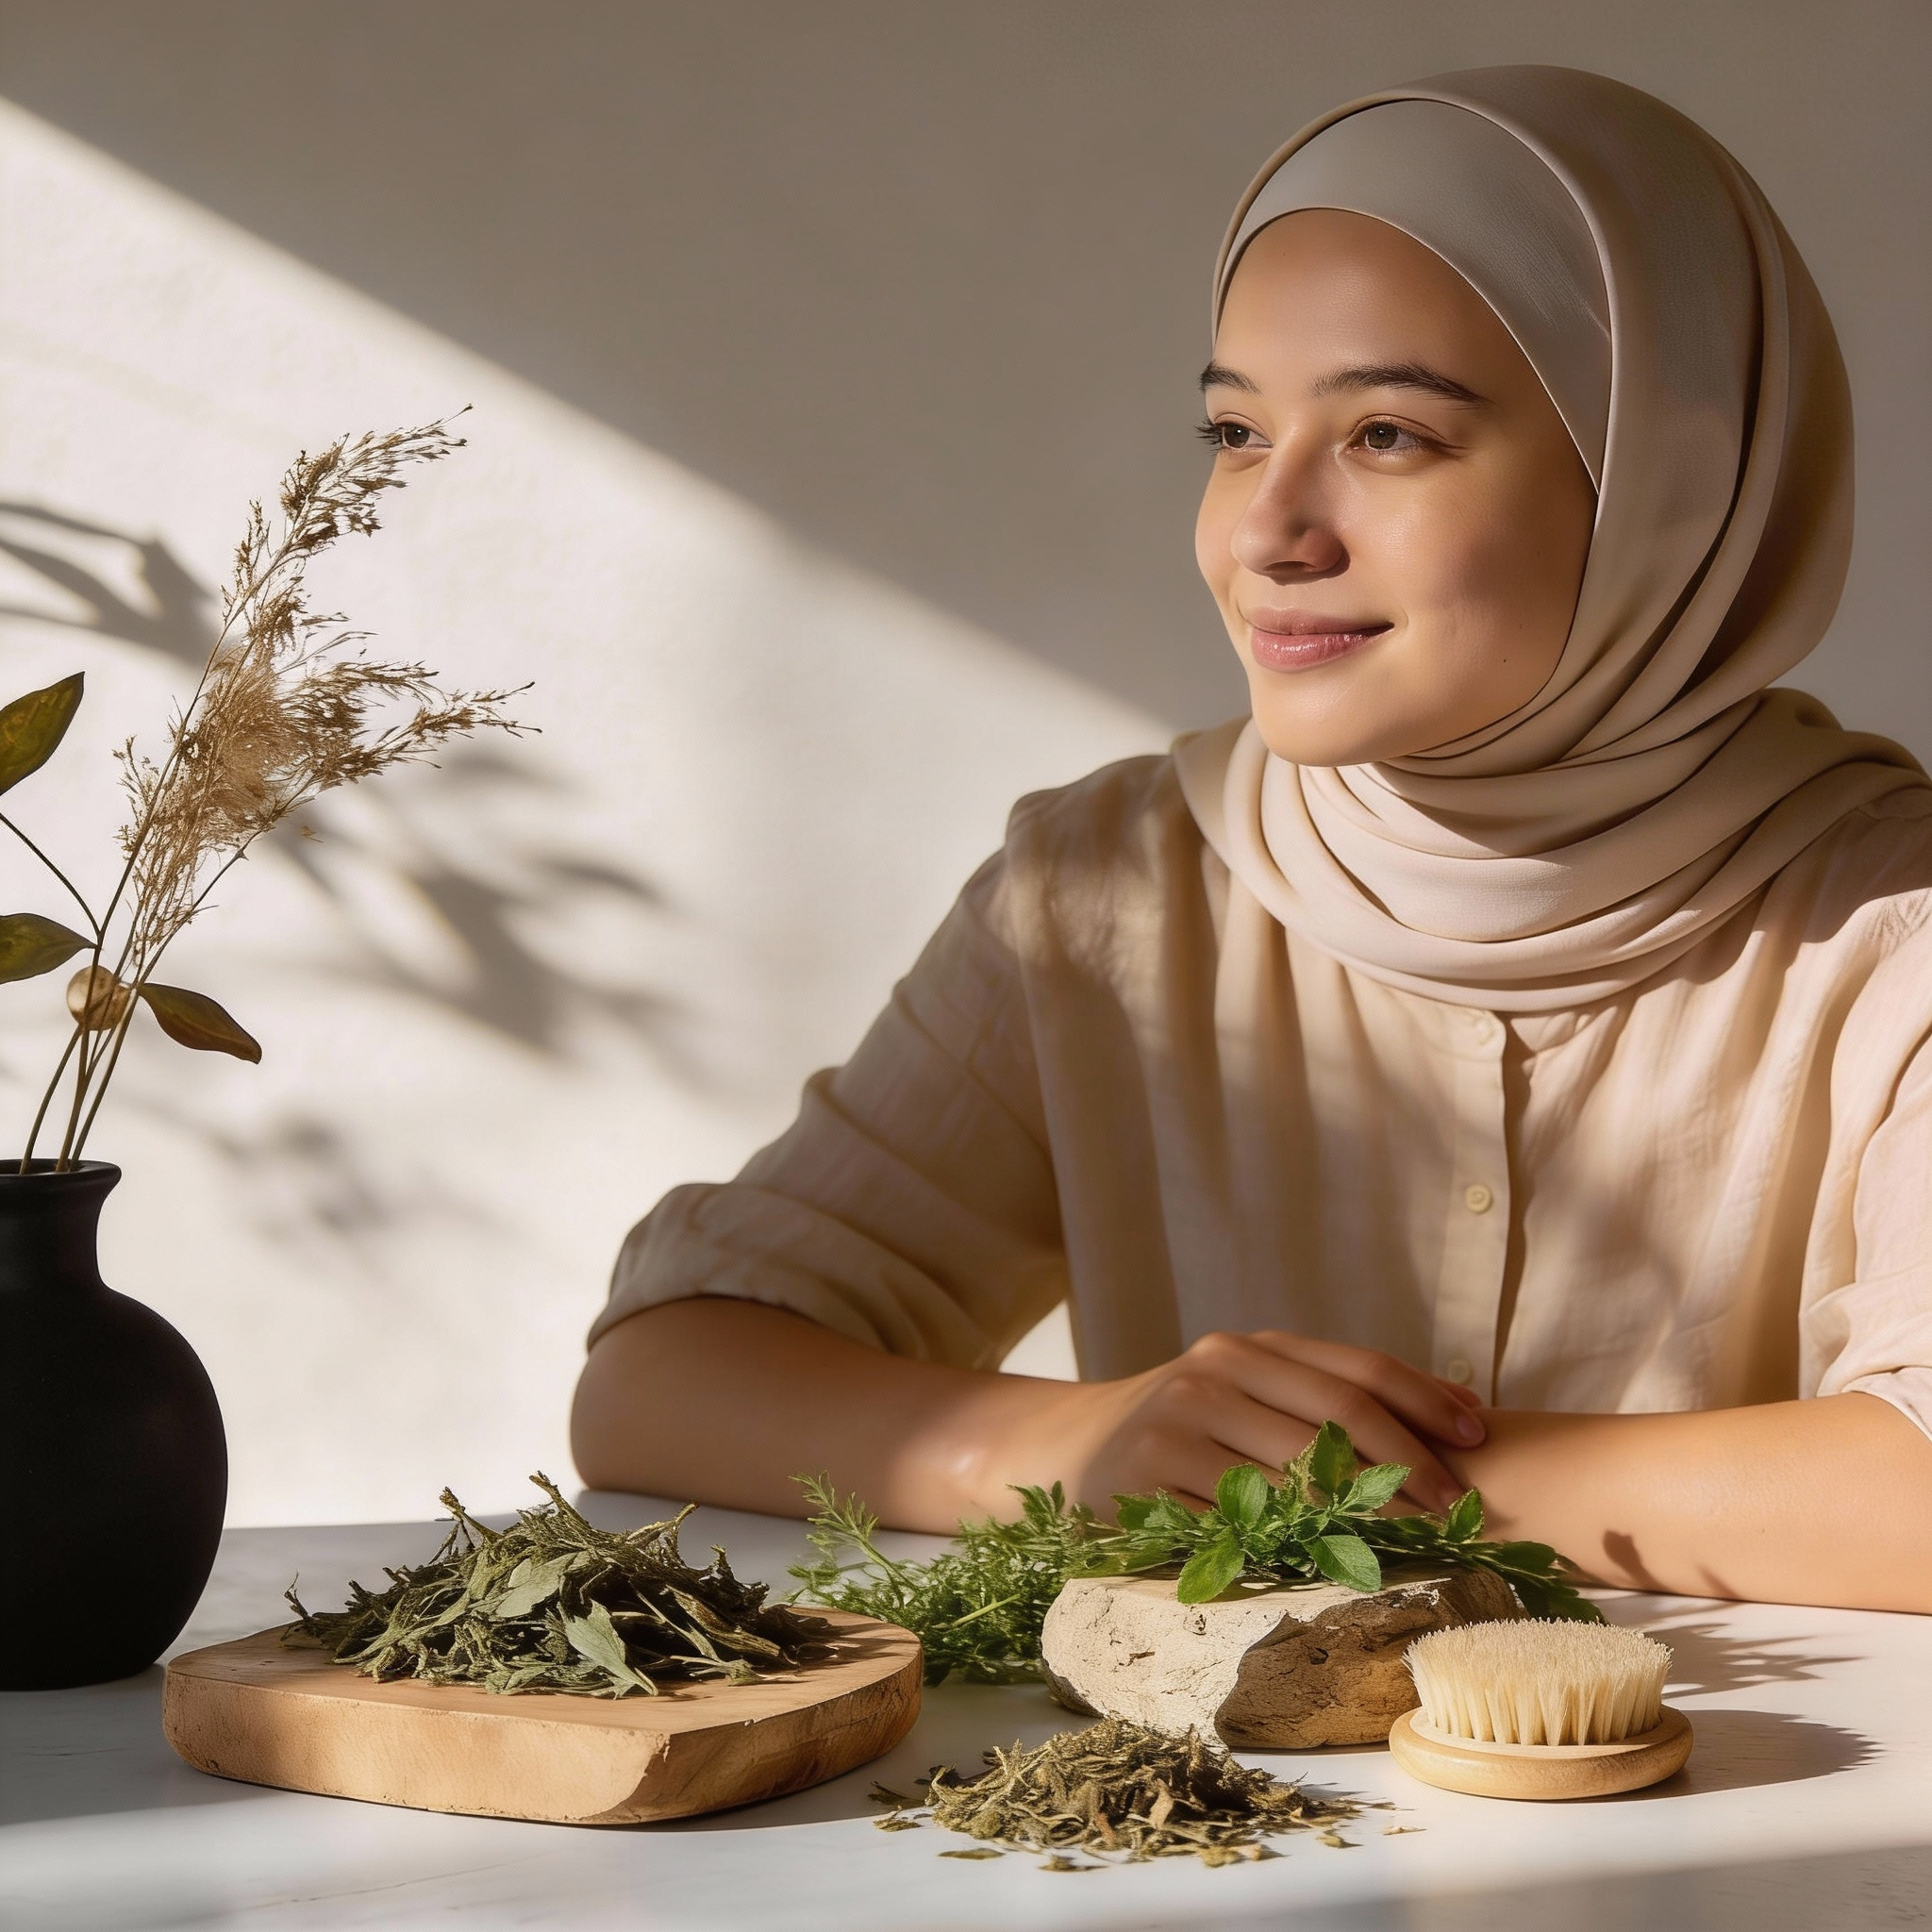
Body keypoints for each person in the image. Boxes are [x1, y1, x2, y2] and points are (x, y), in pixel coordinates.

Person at [572, 67, 1932, 1613]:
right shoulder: (1109, 889)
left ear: (1663, 486)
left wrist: (1342, 1492)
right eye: (1232, 429)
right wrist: (1088, 1446)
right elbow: (662, 1381)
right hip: (1208, 1841)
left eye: (1391, 435)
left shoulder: (1898, 927)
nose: (1267, 530)